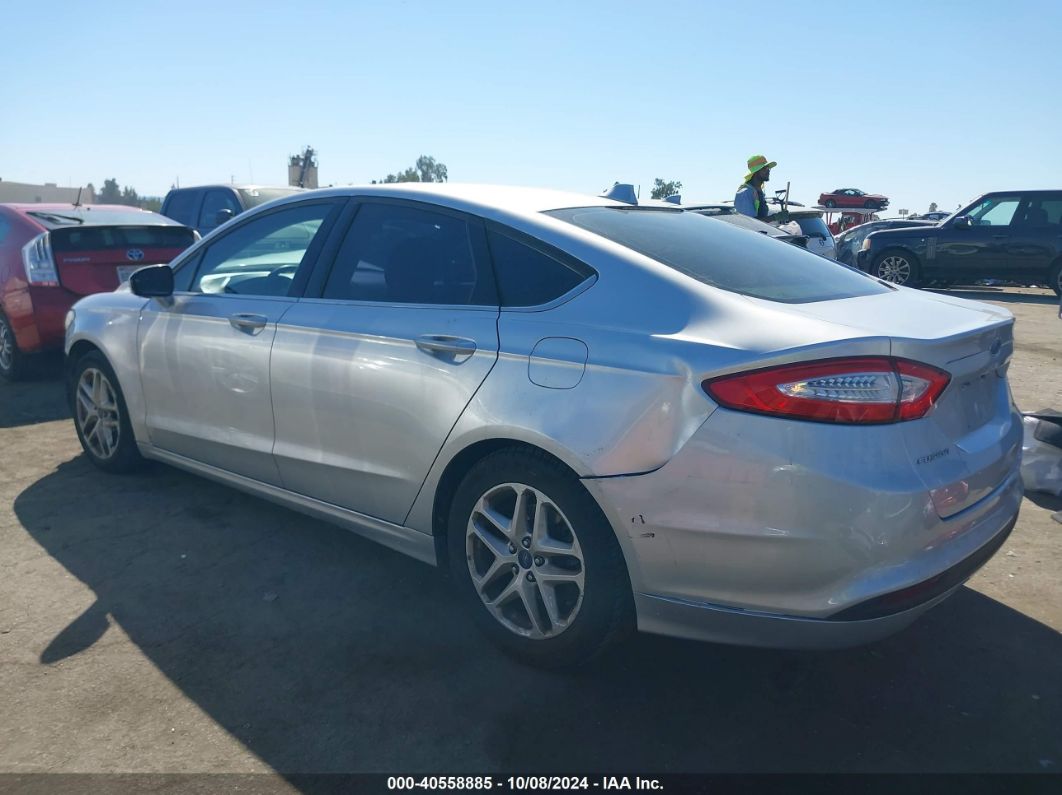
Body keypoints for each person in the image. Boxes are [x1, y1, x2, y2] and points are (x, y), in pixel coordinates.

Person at [735, 154, 776, 219]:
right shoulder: (744, 193)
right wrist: (773, 218)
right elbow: (747, 222)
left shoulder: (759, 192)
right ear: (755, 172)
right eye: (764, 168)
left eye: (768, 168)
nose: (768, 170)